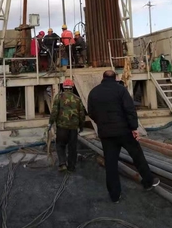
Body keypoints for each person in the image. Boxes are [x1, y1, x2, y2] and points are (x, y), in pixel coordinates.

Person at [88, 70, 160, 203]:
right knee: (137, 155)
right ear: (115, 78)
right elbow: (130, 109)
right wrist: (133, 128)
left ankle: (115, 196)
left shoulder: (94, 92)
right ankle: (148, 181)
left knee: (111, 164)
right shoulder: (121, 90)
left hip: (106, 134)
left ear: (102, 78)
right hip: (124, 131)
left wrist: (102, 124)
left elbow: (91, 112)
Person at [48, 79, 85, 172]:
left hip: (62, 127)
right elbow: (81, 114)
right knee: (72, 147)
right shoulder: (77, 98)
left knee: (60, 145)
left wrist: (50, 122)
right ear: (72, 87)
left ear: (63, 87)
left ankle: (62, 164)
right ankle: (71, 166)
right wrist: (81, 126)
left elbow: (54, 111)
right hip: (73, 127)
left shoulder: (58, 97)